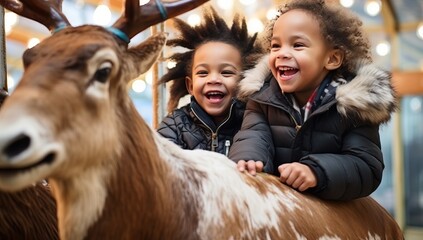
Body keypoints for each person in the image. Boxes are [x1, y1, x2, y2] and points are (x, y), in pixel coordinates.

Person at [228, 0, 398, 200]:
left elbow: (366, 166)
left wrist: (316, 171)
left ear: (332, 59)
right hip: (281, 205)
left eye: (297, 45)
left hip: (331, 212)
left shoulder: (353, 106)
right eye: (275, 45)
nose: (282, 53)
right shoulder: (261, 99)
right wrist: (248, 159)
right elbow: (253, 136)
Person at [156, 7, 265, 156]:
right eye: (203, 73)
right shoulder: (174, 125)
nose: (213, 79)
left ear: (244, 80)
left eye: (226, 72)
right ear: (191, 85)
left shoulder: (253, 123)